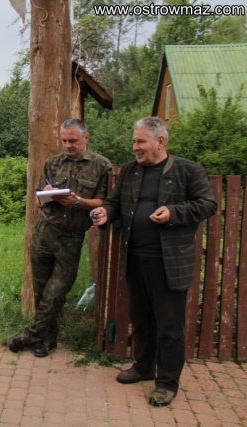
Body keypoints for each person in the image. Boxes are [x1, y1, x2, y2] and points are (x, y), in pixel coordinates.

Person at [90, 117, 217, 407]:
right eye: (134, 142)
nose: (135, 147)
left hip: (168, 262)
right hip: (135, 257)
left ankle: (167, 383)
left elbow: (208, 204)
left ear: (160, 141)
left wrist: (173, 212)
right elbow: (115, 201)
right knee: (141, 319)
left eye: (140, 142)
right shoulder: (131, 170)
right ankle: (144, 367)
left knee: (169, 326)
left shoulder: (188, 170)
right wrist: (106, 213)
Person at [8, 118, 112, 358]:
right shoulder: (53, 163)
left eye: (73, 141)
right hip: (44, 231)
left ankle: (30, 335)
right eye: (64, 141)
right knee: (41, 289)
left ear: (86, 138)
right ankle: (48, 339)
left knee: (56, 292)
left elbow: (104, 202)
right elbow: (37, 198)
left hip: (71, 236)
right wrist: (47, 194)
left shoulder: (101, 166)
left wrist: (77, 201)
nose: (68, 145)